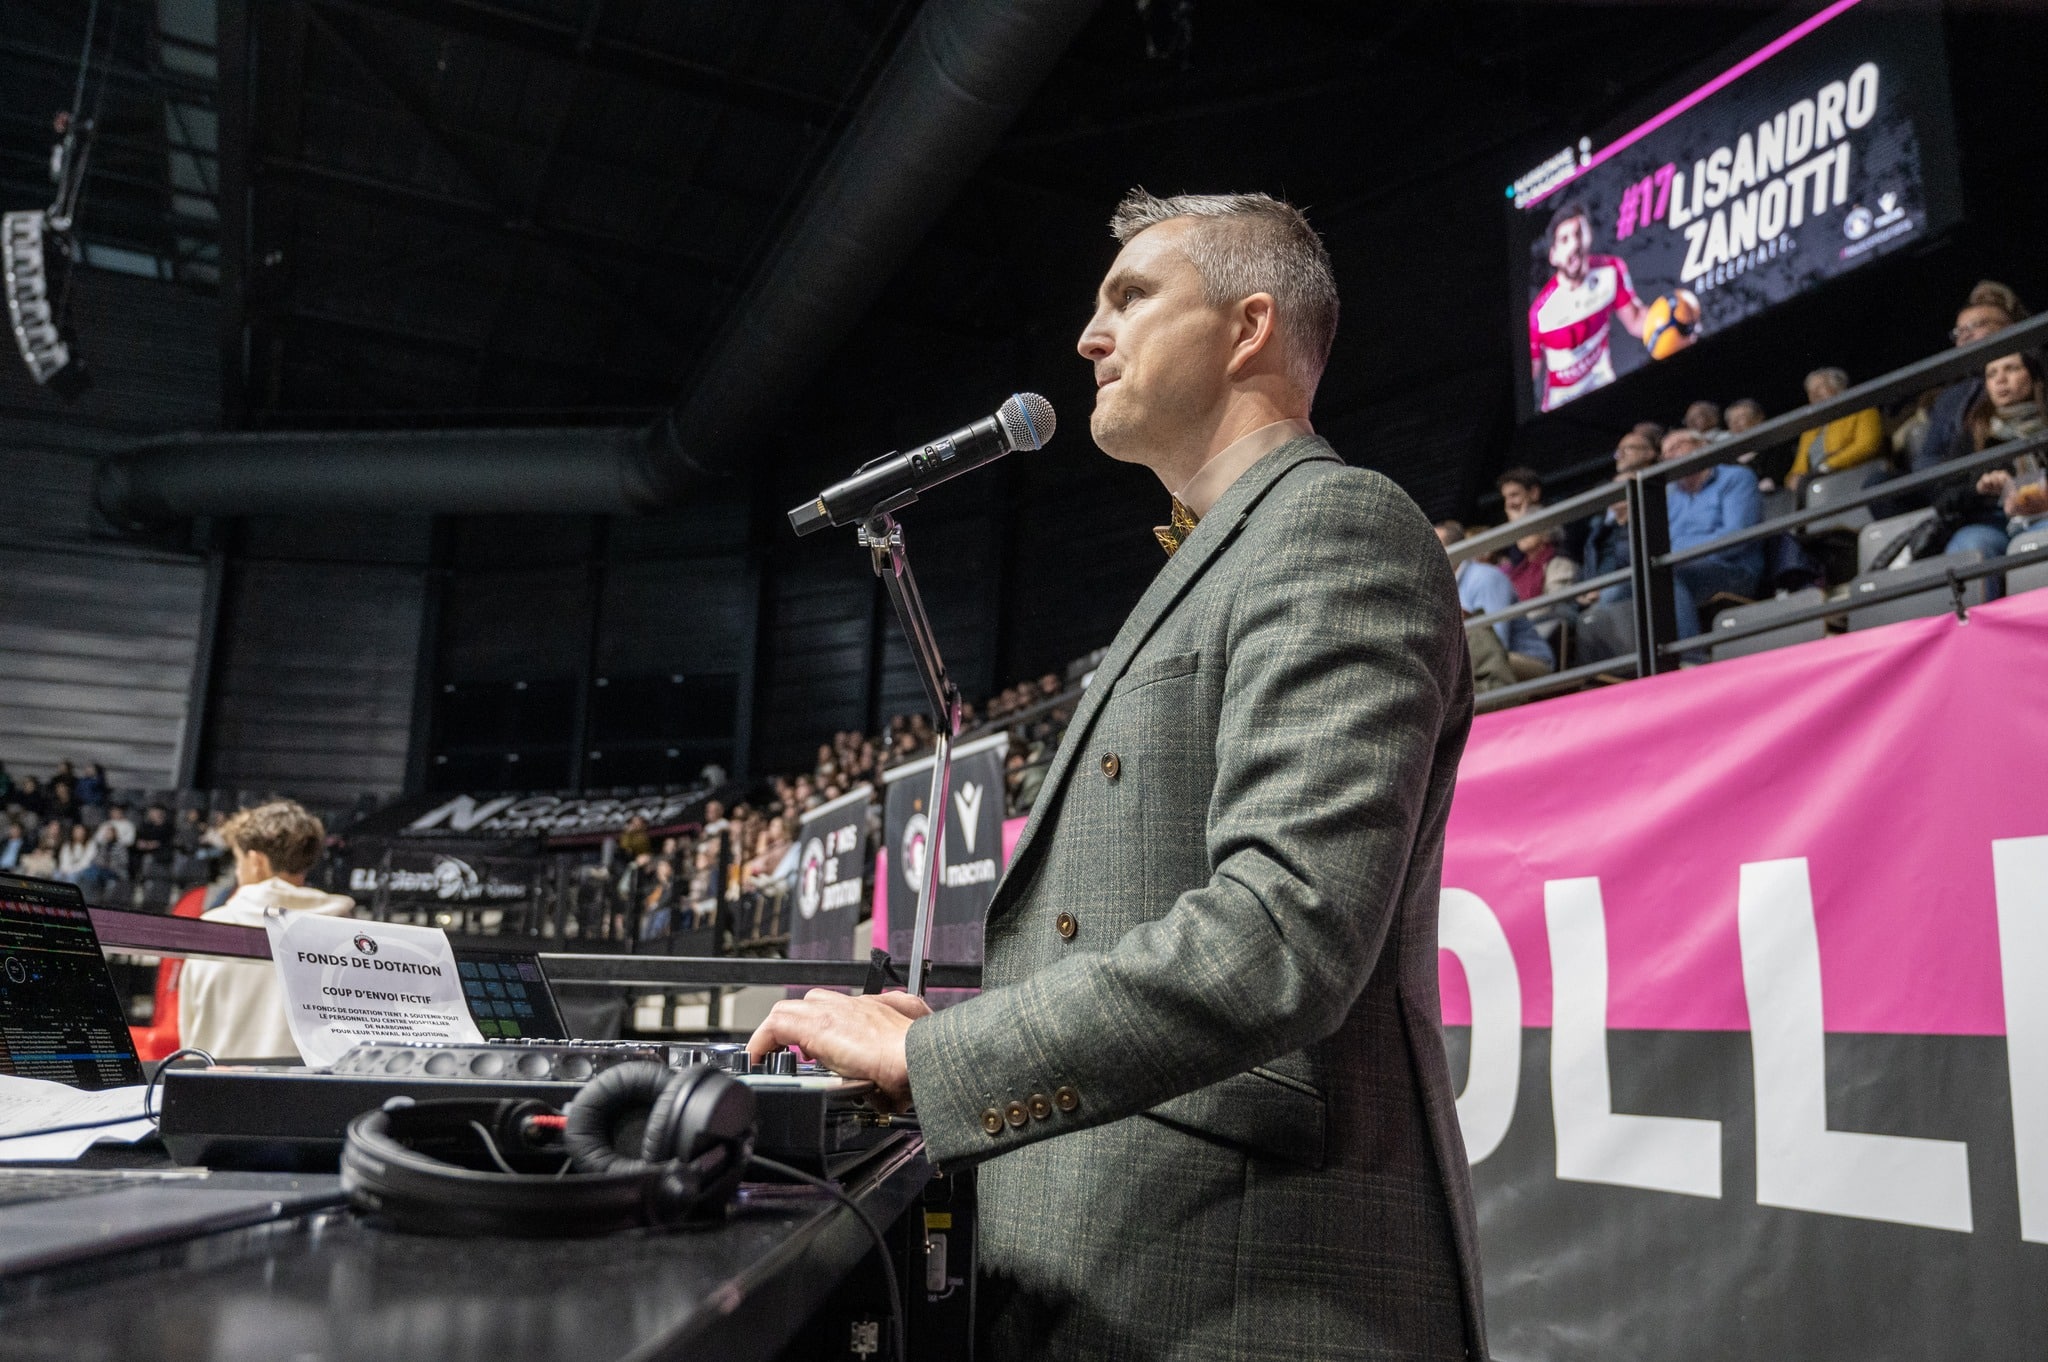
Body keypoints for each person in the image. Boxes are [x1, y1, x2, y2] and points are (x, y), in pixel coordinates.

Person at [747, 188, 1486, 1361]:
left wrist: (934, 1058)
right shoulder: (1223, 555)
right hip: (1144, 1275)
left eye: (1130, 297)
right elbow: (1137, 923)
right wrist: (962, 1027)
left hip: (1254, 1296)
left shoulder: (1334, 526)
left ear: (1247, 329)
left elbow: (1278, 935)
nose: (1089, 337)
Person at [180, 801, 355, 1062]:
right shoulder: (348, 931)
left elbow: (190, 1036)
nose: (237, 871)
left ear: (256, 861)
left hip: (218, 1092)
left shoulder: (214, 926)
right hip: (313, 1095)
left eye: (237, 861)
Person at [1529, 199, 1647, 412]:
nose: (1574, 244)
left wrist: (1672, 318)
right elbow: (1529, 375)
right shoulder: (1540, 313)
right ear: (1553, 255)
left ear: (1589, 236)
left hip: (1605, 388)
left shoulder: (1611, 271)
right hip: (1563, 406)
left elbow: (1637, 322)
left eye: (1578, 234)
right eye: (1564, 239)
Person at [1662, 428, 1765, 648]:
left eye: (1677, 446)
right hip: (1683, 567)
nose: (1670, 455)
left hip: (1733, 569)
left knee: (1662, 578)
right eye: (1665, 452)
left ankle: (1689, 659)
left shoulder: (1736, 477)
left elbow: (1735, 539)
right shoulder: (1671, 496)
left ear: (1702, 447)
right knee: (1618, 590)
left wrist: (1676, 555)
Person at [1438, 519, 1554, 681]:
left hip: (1530, 660)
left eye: (1433, 547)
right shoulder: (1443, 586)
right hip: (1483, 657)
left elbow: (1496, 644)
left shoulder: (1486, 578)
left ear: (1453, 550)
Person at [1787, 368, 1884, 492]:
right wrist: (1793, 478)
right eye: (1810, 391)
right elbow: (1799, 467)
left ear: (1838, 387)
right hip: (1816, 483)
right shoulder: (1809, 430)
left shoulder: (1862, 410)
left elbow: (1868, 445)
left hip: (1854, 475)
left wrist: (1829, 465)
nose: (1814, 394)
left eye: (1820, 387)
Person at [1493, 466, 1577, 603]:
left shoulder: (1559, 559)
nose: (1509, 504)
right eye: (1505, 498)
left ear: (1533, 493)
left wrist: (1517, 521)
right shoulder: (1519, 562)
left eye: (1514, 495)